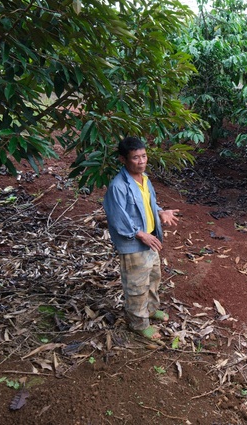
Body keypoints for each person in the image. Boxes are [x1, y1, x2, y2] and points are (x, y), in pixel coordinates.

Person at [103, 136, 179, 340]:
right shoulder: (118, 186)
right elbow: (117, 217)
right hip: (134, 244)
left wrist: (161, 212)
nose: (142, 161)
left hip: (151, 240)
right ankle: (137, 323)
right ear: (123, 159)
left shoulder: (144, 179)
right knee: (136, 286)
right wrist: (140, 234)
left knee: (153, 278)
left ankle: (151, 310)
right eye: (136, 158)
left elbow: (148, 203)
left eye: (144, 156)